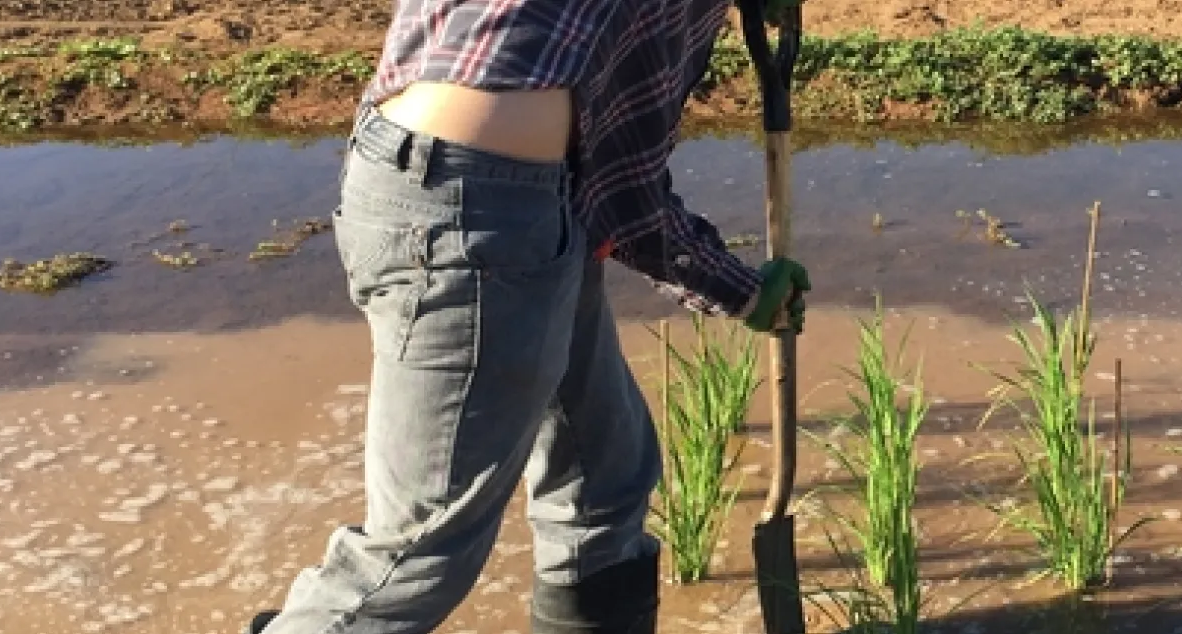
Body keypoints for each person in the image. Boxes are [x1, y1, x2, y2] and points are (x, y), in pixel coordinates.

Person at [243, 0, 811, 631]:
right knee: (414, 558)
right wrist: (738, 288)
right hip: (478, 212)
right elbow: (628, 195)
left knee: (603, 479)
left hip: (458, 180)